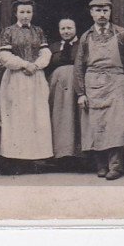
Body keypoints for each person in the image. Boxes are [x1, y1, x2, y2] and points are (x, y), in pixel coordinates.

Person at [74, 0, 124, 180]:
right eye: (98, 10)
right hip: (92, 82)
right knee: (96, 125)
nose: (102, 14)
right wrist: (81, 92)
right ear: (91, 13)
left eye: (105, 11)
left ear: (110, 13)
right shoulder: (86, 37)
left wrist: (122, 82)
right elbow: (79, 66)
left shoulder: (121, 34)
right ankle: (100, 165)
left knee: (115, 125)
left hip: (116, 82)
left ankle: (115, 167)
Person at [0, 0, 53, 166]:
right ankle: (16, 159)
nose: (25, 15)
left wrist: (35, 65)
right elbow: (4, 56)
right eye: (22, 12)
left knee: (37, 115)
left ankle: (35, 157)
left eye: (28, 12)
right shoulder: (9, 31)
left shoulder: (38, 31)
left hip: (35, 77)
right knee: (17, 116)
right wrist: (24, 64)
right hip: (16, 78)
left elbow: (46, 53)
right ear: (15, 13)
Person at [47, 18, 82, 166]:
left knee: (76, 117)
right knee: (60, 118)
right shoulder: (53, 47)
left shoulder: (83, 45)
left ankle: (79, 155)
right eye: (63, 29)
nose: (66, 31)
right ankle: (60, 154)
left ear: (75, 28)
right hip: (57, 89)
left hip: (77, 87)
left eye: (69, 28)